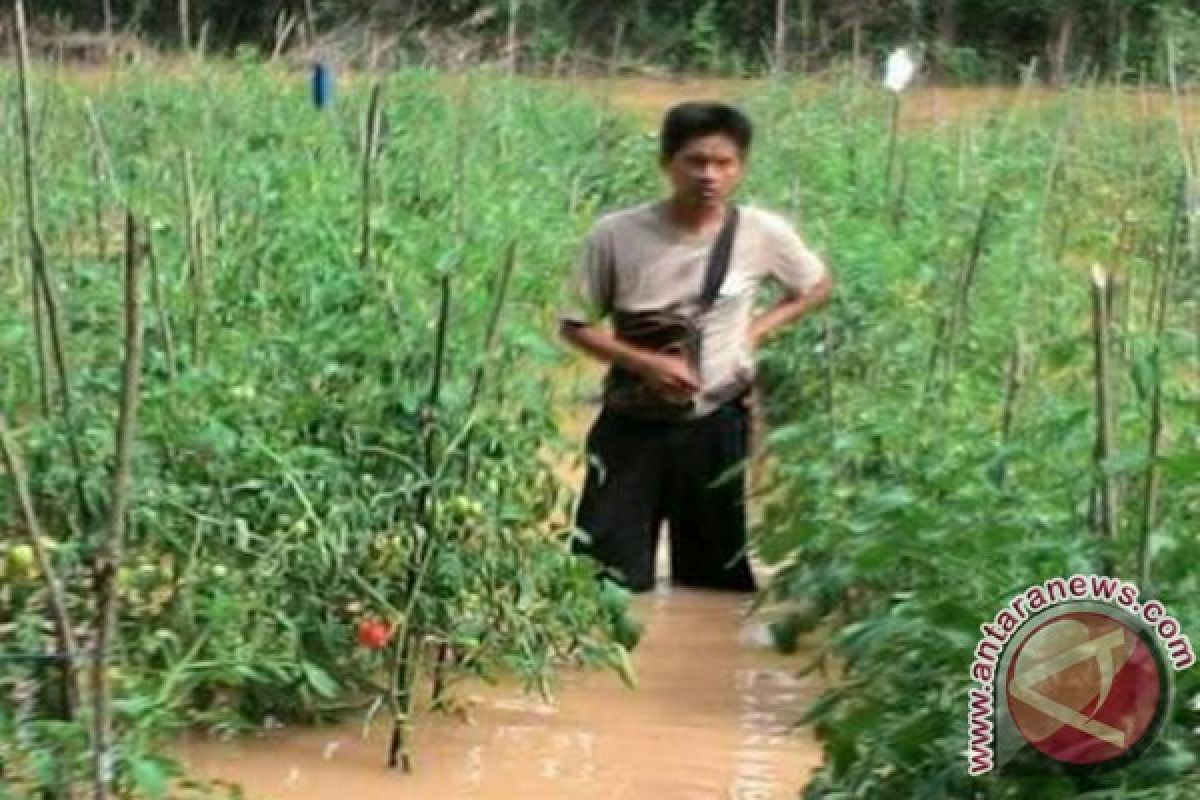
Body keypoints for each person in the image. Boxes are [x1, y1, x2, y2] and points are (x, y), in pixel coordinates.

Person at [557, 101, 833, 594]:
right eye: (695, 161)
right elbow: (575, 325)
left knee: (715, 584)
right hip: (631, 422)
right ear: (667, 163)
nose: (709, 175)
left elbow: (815, 286)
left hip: (716, 420)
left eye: (723, 163)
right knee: (600, 579)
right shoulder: (616, 235)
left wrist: (755, 330)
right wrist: (645, 362)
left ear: (740, 168)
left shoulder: (761, 233)